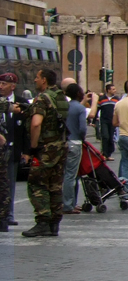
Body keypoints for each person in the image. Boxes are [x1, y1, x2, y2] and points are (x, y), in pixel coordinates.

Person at [21, 69, 70, 237]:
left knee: (37, 184)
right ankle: (54, 224)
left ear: (44, 80)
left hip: (46, 148)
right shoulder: (60, 97)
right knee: (55, 186)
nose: (34, 80)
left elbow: (36, 124)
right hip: (60, 147)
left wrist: (32, 148)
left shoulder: (42, 98)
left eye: (37, 77)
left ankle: (42, 221)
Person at [62, 83, 96, 215]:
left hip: (66, 141)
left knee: (69, 174)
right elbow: (83, 128)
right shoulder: (81, 109)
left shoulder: (66, 107)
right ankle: (68, 205)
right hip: (75, 142)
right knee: (71, 175)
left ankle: (71, 202)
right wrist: (82, 137)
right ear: (78, 93)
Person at [0, 71, 26, 229]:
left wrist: (27, 150)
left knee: (8, 184)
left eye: (4, 83)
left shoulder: (21, 103)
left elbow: (25, 130)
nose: (1, 86)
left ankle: (7, 216)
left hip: (12, 149)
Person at [96, 83, 118, 160]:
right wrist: (95, 119)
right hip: (104, 120)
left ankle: (109, 154)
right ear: (108, 90)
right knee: (105, 136)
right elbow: (97, 109)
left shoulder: (116, 99)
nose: (115, 90)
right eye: (113, 89)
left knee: (111, 138)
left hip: (112, 120)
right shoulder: (102, 99)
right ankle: (104, 154)